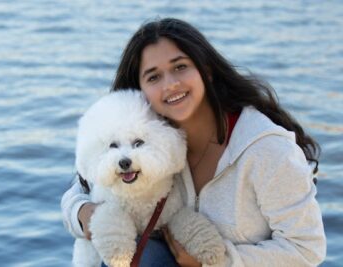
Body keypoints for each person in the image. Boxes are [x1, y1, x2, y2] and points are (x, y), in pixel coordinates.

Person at [62, 18, 326, 266]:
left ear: (206, 71)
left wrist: (215, 262)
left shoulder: (266, 148)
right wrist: (85, 215)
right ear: (140, 90)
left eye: (180, 67)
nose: (170, 85)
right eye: (154, 77)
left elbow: (307, 250)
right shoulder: (153, 137)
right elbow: (80, 189)